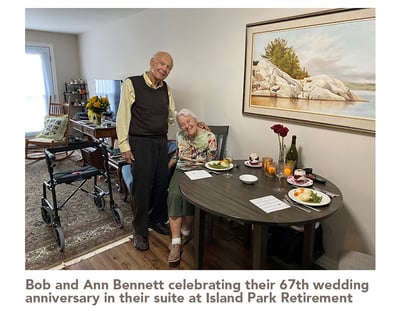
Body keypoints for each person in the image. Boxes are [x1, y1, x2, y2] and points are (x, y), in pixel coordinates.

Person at [116, 51, 175, 251]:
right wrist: (124, 145)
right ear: (151, 62)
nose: (164, 69)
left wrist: (193, 123)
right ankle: (140, 230)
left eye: (168, 67)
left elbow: (172, 114)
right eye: (162, 64)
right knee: (142, 187)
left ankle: (156, 219)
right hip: (140, 142)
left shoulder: (165, 88)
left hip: (160, 141)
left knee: (161, 183)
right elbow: (122, 116)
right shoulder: (132, 84)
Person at [167, 108, 218, 263]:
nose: (186, 126)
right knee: (174, 195)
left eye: (188, 121)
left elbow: (212, 162)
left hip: (201, 172)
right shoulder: (179, 135)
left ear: (196, 121)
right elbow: (178, 155)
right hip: (182, 170)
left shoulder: (210, 137)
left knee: (191, 196)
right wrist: (170, 163)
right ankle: (176, 242)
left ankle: (186, 232)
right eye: (182, 124)